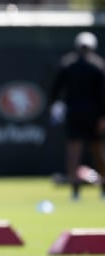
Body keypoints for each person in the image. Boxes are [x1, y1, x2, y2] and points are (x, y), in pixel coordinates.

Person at [49, 31, 105, 201]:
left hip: (78, 114)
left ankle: (77, 190)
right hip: (90, 115)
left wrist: (55, 105)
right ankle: (86, 189)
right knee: (92, 151)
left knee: (82, 151)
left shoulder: (69, 63)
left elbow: (55, 90)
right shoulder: (98, 65)